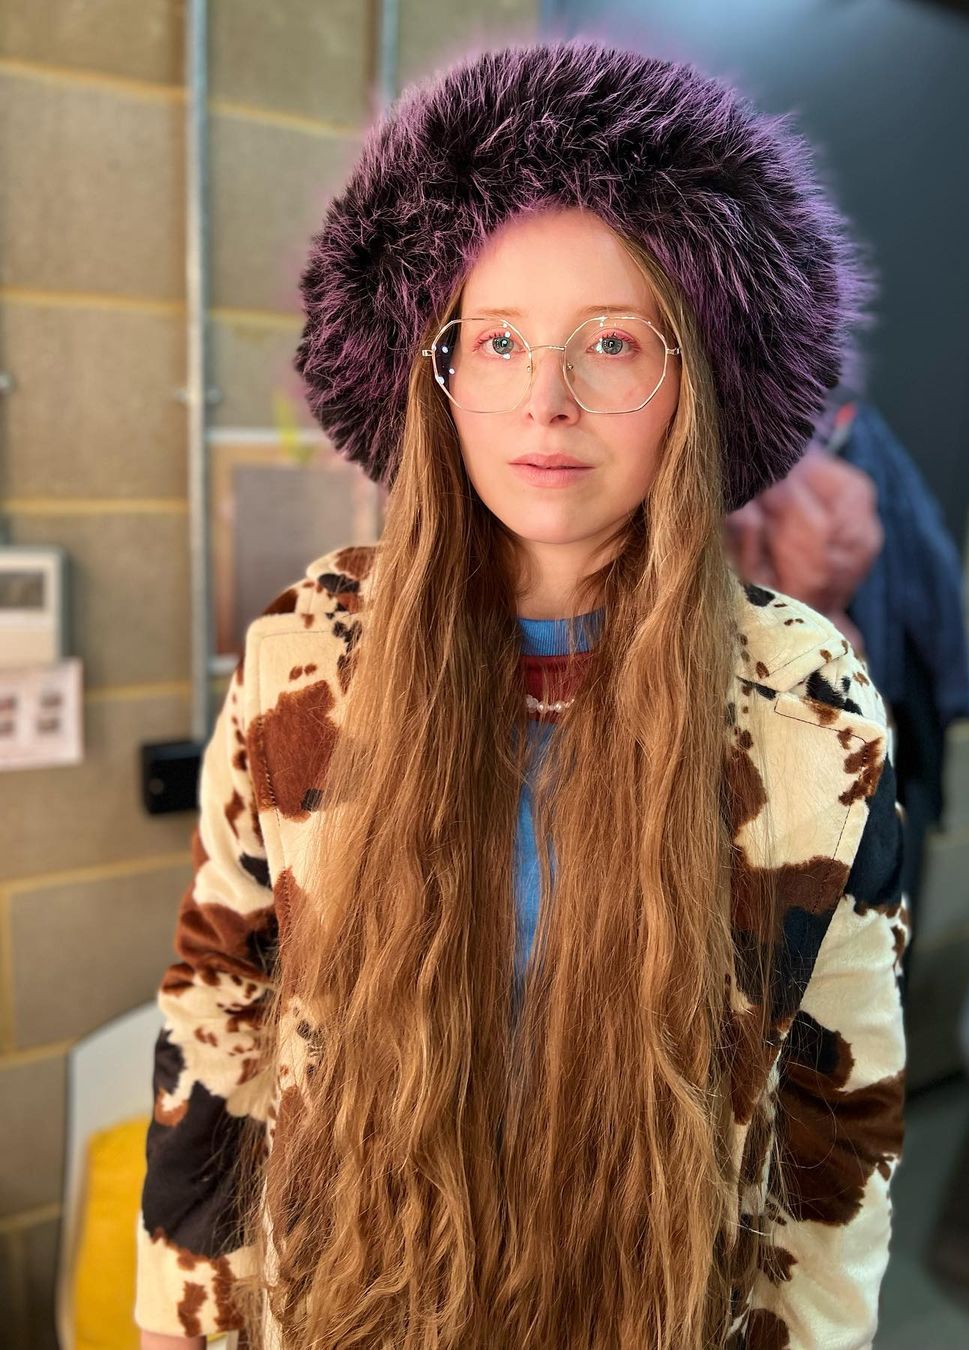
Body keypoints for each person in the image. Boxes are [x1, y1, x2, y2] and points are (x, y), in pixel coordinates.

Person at [135, 38, 909, 1349]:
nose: (546, 401)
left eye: (612, 342)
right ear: (435, 375)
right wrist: (184, 1318)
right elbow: (221, 1008)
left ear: (693, 378)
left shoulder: (807, 704)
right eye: (497, 342)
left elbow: (841, 1110)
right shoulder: (309, 654)